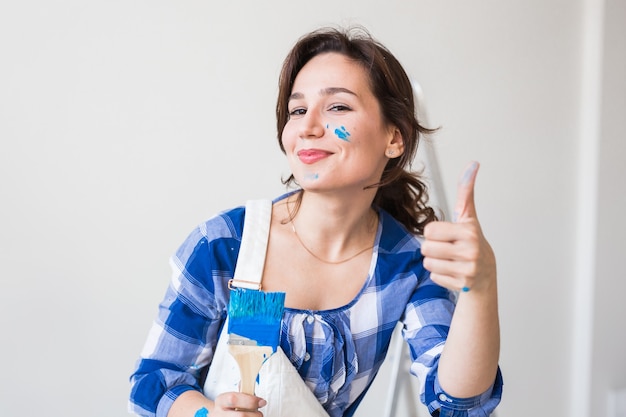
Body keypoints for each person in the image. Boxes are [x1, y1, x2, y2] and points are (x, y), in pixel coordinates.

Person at [129, 26, 503, 417]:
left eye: (337, 107)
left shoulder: (407, 264)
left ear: (395, 137)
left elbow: (459, 405)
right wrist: (205, 415)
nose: (307, 127)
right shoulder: (223, 245)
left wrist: (481, 288)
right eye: (297, 110)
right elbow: (155, 384)